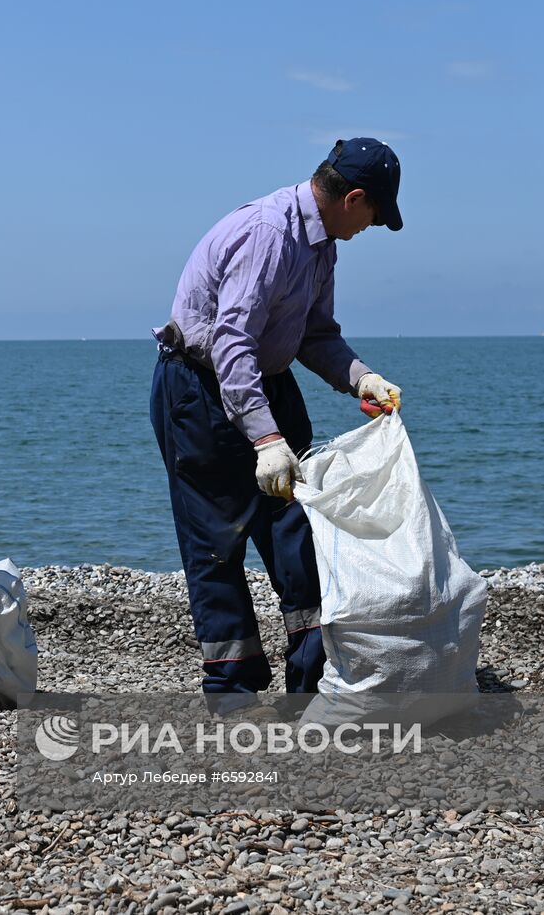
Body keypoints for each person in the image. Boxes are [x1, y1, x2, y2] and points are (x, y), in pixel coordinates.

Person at [150, 138, 405, 703]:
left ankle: (313, 681)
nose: (370, 227)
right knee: (217, 543)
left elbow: (315, 334)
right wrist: (267, 439)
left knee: (300, 531)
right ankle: (233, 688)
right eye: (374, 215)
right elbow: (230, 345)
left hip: (268, 380)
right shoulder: (269, 234)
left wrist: (360, 377)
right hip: (200, 389)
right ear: (353, 198)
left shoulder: (322, 245)